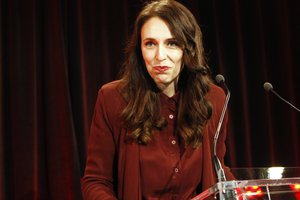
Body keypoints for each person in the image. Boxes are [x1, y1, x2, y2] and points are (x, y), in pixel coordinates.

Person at [81, 0, 233, 199]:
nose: (160, 56)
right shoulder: (112, 98)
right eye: (150, 44)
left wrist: (247, 190)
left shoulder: (214, 98)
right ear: (139, 50)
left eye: (172, 43)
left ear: (188, 48)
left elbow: (218, 170)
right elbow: (96, 181)